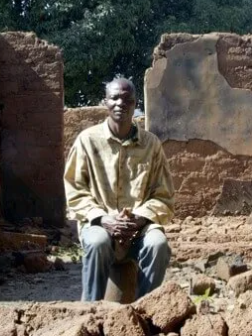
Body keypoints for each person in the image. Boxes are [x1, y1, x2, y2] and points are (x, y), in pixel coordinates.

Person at [63, 77, 174, 301]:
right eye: (114, 98)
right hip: (100, 225)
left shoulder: (151, 144)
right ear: (105, 102)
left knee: (158, 244)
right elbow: (74, 188)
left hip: (138, 230)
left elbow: (163, 195)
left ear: (135, 104)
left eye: (127, 99)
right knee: (96, 242)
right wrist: (102, 218)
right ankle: (90, 312)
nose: (120, 103)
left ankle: (147, 313)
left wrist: (140, 219)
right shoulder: (87, 141)